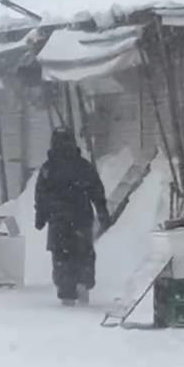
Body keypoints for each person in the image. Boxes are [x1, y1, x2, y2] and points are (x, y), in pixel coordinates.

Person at [34, 126, 111, 306]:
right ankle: (83, 284)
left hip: (58, 221)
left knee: (61, 258)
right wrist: (102, 212)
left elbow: (41, 195)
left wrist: (41, 216)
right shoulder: (83, 167)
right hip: (81, 218)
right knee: (83, 254)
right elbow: (97, 190)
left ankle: (67, 294)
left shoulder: (48, 169)